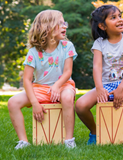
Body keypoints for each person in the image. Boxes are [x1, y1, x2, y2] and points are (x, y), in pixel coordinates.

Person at [75, 5, 123, 145]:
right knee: (80, 105)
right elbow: (96, 67)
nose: (120, 20)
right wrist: (100, 88)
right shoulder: (99, 44)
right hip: (106, 85)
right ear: (102, 26)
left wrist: (121, 88)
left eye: (120, 16)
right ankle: (95, 132)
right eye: (113, 17)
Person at [8, 10, 78, 149]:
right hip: (40, 88)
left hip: (63, 85)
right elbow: (27, 80)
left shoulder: (67, 46)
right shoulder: (33, 52)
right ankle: (23, 142)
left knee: (68, 98)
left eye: (65, 23)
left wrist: (57, 86)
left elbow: (68, 71)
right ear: (48, 28)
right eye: (60, 23)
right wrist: (34, 102)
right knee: (13, 103)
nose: (65, 26)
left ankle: (69, 140)